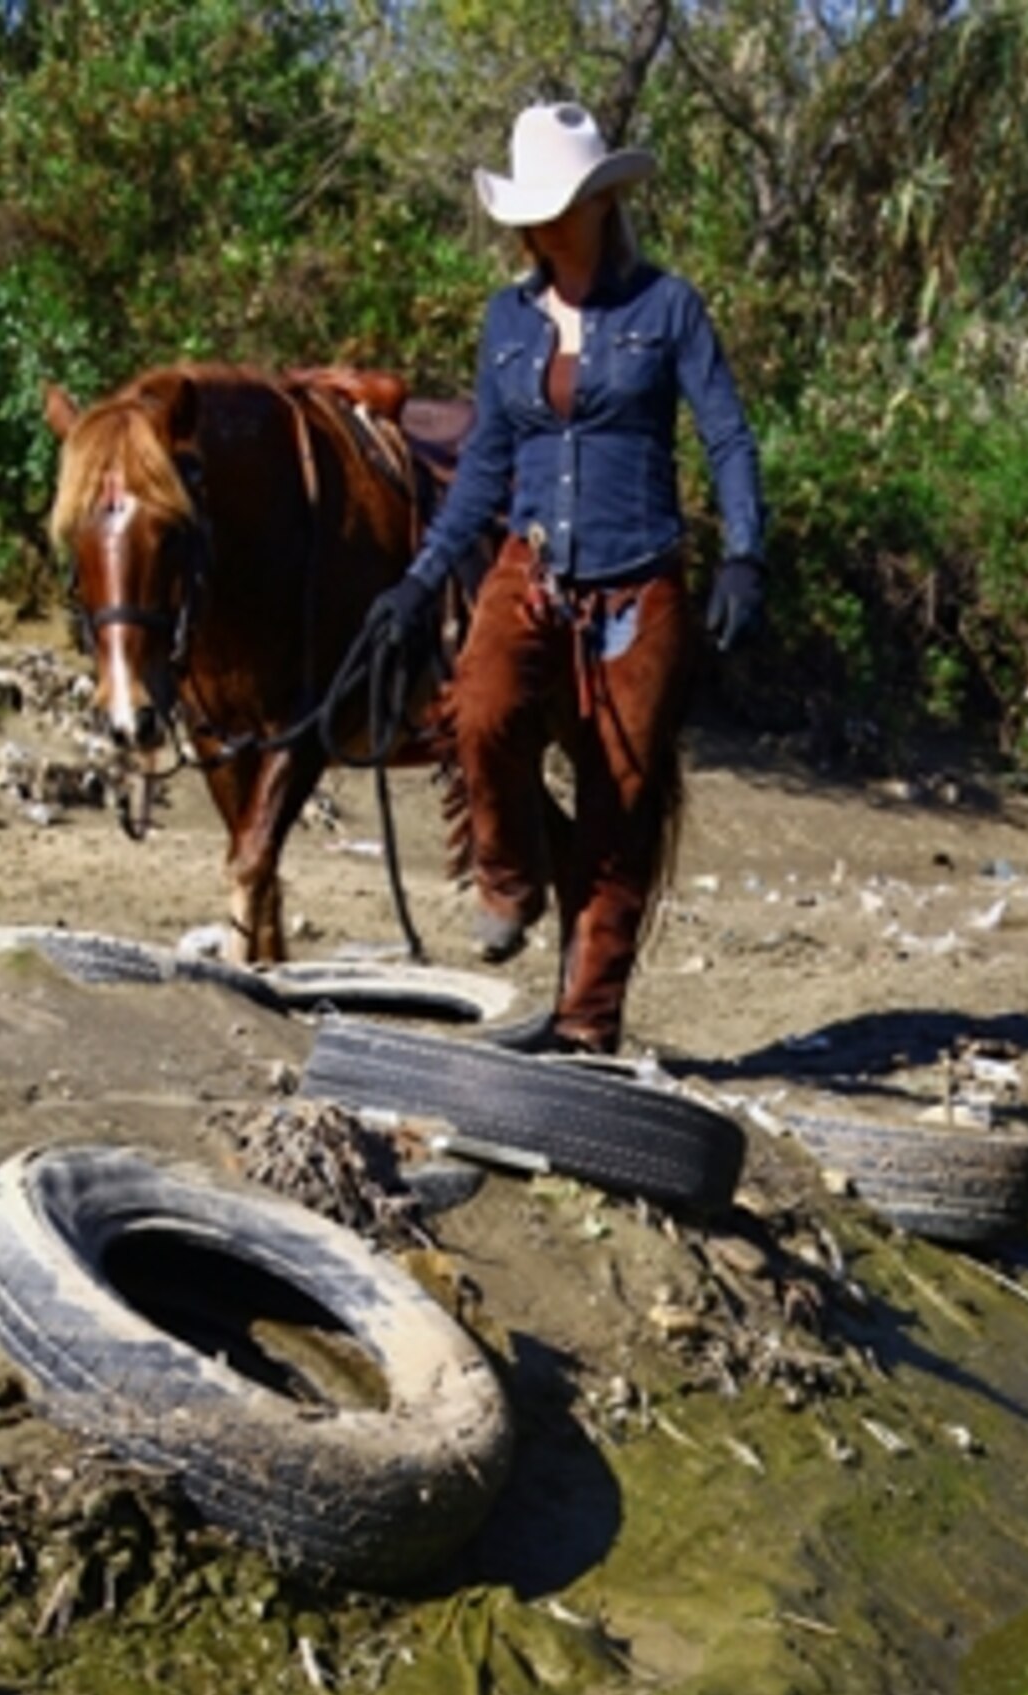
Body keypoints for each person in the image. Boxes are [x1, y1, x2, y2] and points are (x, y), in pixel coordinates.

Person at [364, 101, 766, 1053]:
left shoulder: (668, 309)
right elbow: (488, 468)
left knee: (619, 803)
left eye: (558, 205)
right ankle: (508, 879)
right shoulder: (507, 320)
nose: (539, 224)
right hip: (532, 564)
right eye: (531, 208)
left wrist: (745, 551)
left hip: (641, 583)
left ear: (599, 206)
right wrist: (419, 582)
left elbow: (726, 435)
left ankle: (585, 1027)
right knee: (480, 710)